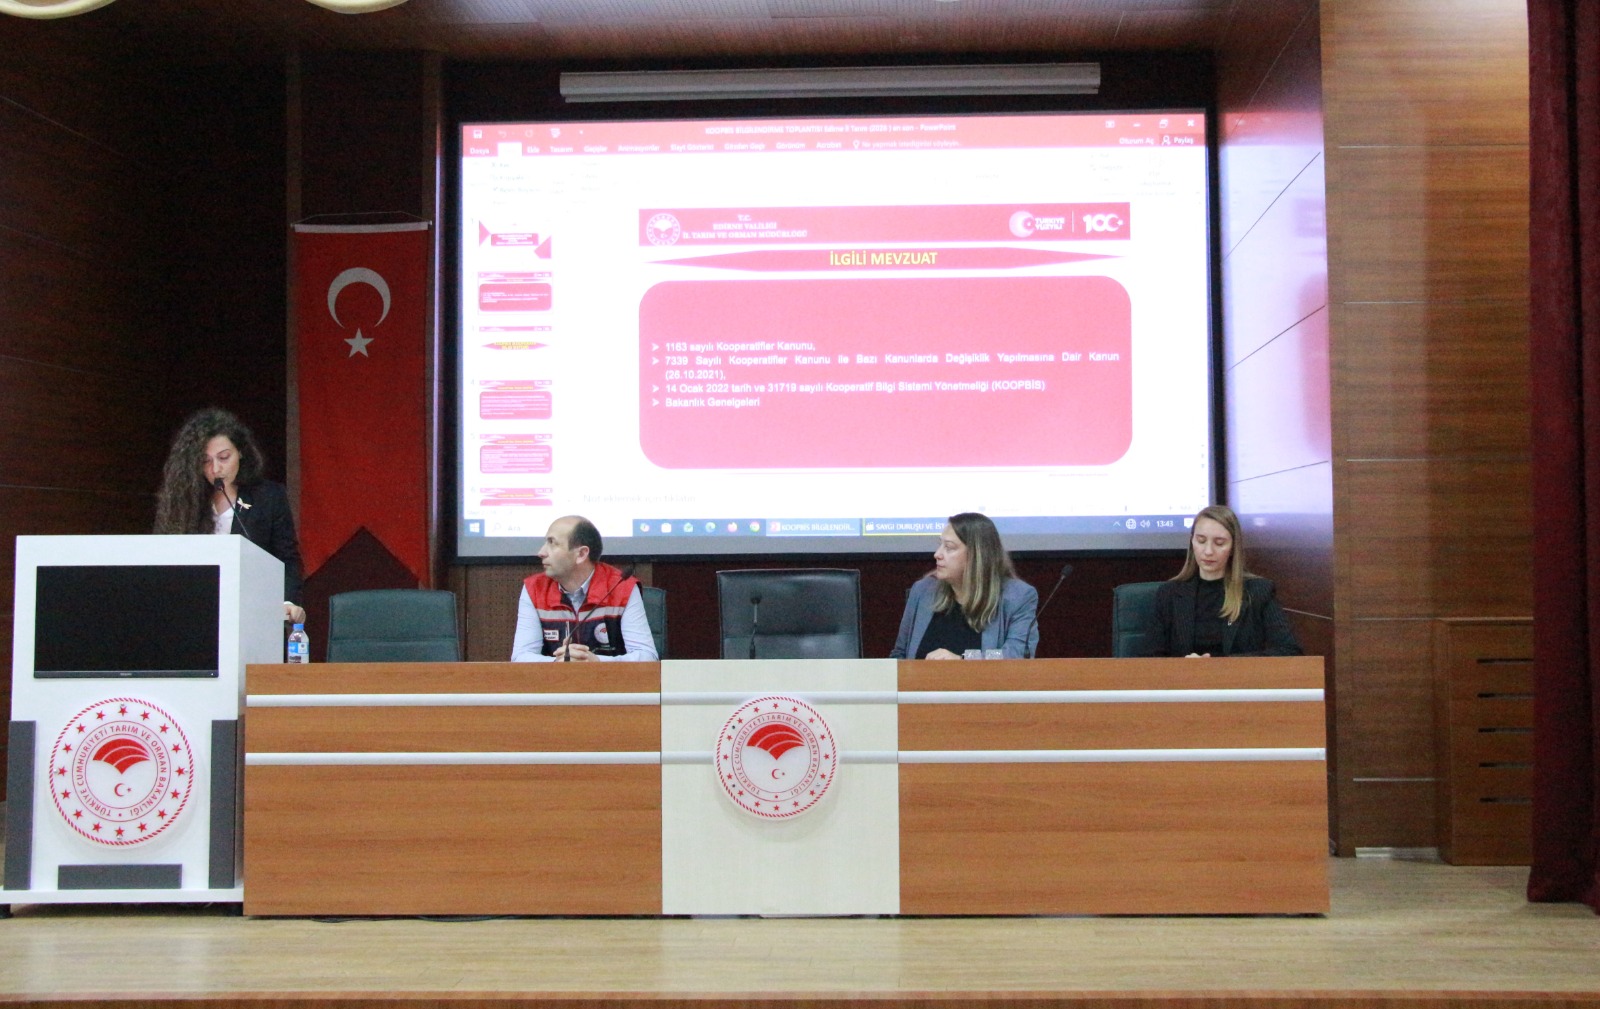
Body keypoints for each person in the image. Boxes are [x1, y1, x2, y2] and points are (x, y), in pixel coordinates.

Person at [154, 408, 305, 623]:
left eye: (224, 457)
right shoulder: (185, 502)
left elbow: (287, 559)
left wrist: (287, 602)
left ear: (240, 452)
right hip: (196, 613)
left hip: (252, 613)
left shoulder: (268, 497)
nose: (216, 469)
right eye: (205, 461)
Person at [1144, 504, 1302, 657]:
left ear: (1233, 547)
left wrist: (1222, 666)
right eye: (1201, 541)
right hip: (1185, 676)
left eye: (1219, 543)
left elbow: (1290, 650)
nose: (1208, 551)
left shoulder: (1259, 591)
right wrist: (1187, 666)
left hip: (1238, 676)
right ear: (1192, 542)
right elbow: (1149, 658)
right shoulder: (1169, 593)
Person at [890, 512, 1039, 660]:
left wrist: (962, 662)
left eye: (949, 547)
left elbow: (1016, 656)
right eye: (940, 545)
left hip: (983, 678)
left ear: (977, 555)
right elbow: (900, 655)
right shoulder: (923, 591)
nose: (937, 554)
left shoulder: (1018, 597)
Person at [511, 515, 658, 662]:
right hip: (554, 677)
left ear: (581, 554)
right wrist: (558, 663)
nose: (541, 552)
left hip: (609, 677)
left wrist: (596, 663)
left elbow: (647, 657)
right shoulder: (535, 589)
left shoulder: (622, 587)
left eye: (552, 543)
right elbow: (520, 657)